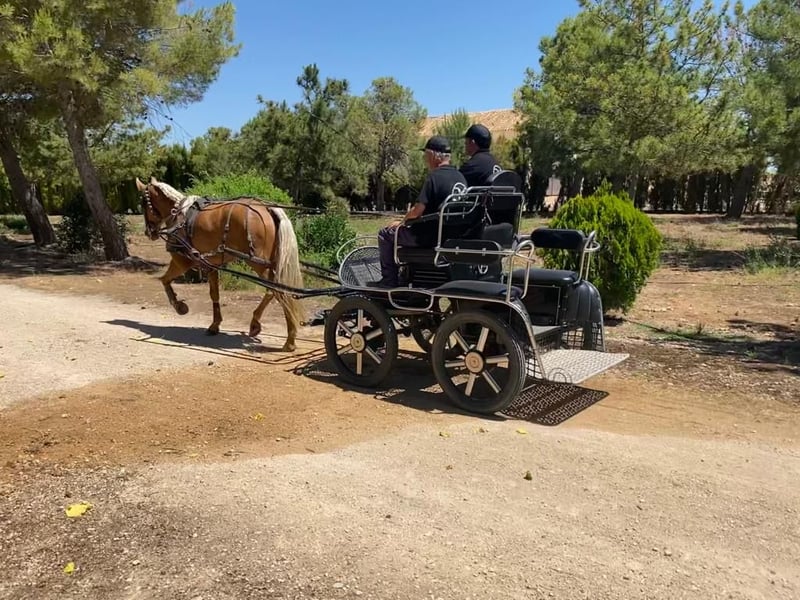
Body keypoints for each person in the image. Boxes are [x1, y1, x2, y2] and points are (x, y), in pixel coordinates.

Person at [375, 135, 467, 287]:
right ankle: (408, 274)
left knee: (385, 234)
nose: (425, 159)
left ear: (433, 155)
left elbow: (417, 211)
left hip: (427, 237)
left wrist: (402, 222)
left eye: (426, 155)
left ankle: (389, 281)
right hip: (451, 237)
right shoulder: (460, 177)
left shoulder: (434, 177)